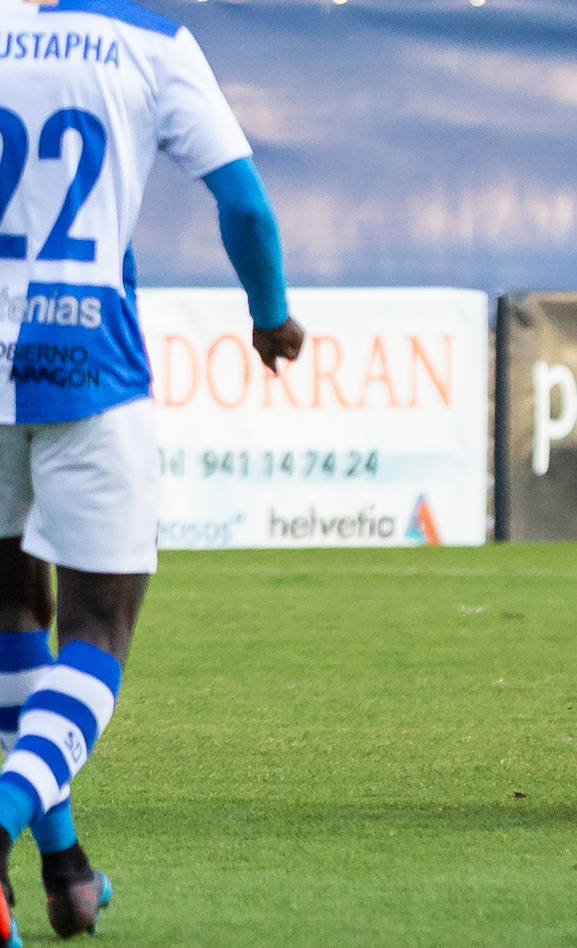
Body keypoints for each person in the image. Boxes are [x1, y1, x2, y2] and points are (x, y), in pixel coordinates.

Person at [0, 1, 304, 941]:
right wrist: (271, 312)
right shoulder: (151, 42)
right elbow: (244, 202)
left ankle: (63, 869)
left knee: (13, 610)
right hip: (86, 363)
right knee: (99, 627)